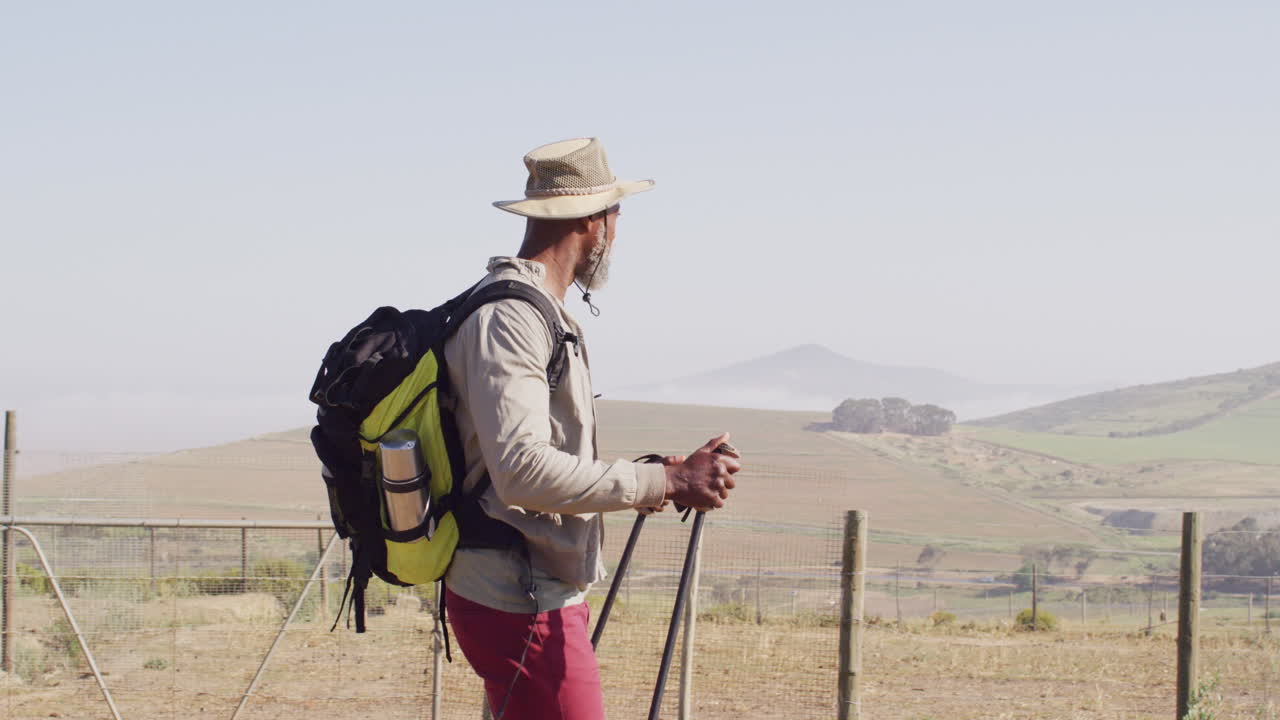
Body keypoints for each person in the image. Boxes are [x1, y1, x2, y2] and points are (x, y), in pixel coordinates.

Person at [441, 137, 741, 720]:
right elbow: (523, 473)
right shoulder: (512, 318)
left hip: (526, 586)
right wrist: (668, 484)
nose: (617, 228)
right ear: (590, 222)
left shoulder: (536, 312)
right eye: (615, 213)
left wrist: (658, 475)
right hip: (519, 595)